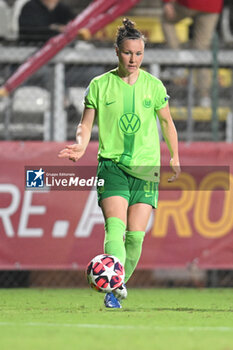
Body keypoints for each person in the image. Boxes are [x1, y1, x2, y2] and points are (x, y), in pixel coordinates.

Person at [58, 18, 180, 308]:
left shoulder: (154, 86)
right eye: (128, 53)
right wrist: (81, 146)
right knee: (115, 229)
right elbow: (85, 125)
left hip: (146, 169)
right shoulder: (100, 86)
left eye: (138, 53)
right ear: (117, 52)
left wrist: (174, 155)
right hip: (111, 167)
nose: (133, 59)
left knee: (135, 239)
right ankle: (112, 287)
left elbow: (167, 122)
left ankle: (115, 287)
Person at [161, 0, 223, 107]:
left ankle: (178, 60)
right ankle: (204, 96)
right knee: (202, 50)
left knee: (166, 20)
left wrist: (167, 2)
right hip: (213, 5)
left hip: (190, 3)